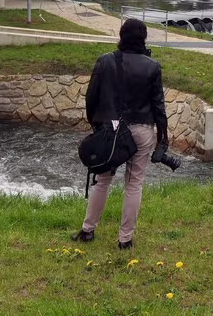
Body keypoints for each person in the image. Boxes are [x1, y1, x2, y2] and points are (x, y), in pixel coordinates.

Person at [72, 19, 168, 250]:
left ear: (121, 35)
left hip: (111, 128)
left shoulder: (105, 61)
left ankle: (88, 230)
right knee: (134, 184)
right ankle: (125, 239)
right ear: (144, 38)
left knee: (102, 181)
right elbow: (158, 106)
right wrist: (163, 137)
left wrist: (96, 126)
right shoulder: (153, 66)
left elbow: (91, 97)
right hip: (142, 129)